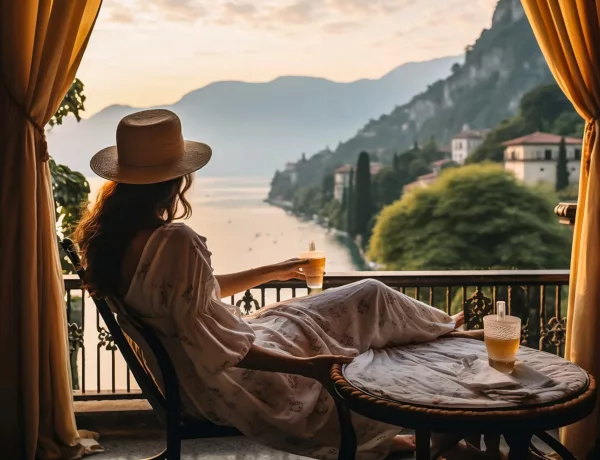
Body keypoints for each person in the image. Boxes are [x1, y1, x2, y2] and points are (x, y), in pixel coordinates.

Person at [75, 109, 469, 460]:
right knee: (366, 298)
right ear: (177, 178)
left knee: (346, 302)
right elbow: (217, 347)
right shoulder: (175, 241)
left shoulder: (113, 241)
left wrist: (273, 270)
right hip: (229, 380)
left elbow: (195, 300)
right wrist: (308, 367)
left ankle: (440, 332)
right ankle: (446, 335)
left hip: (194, 376)